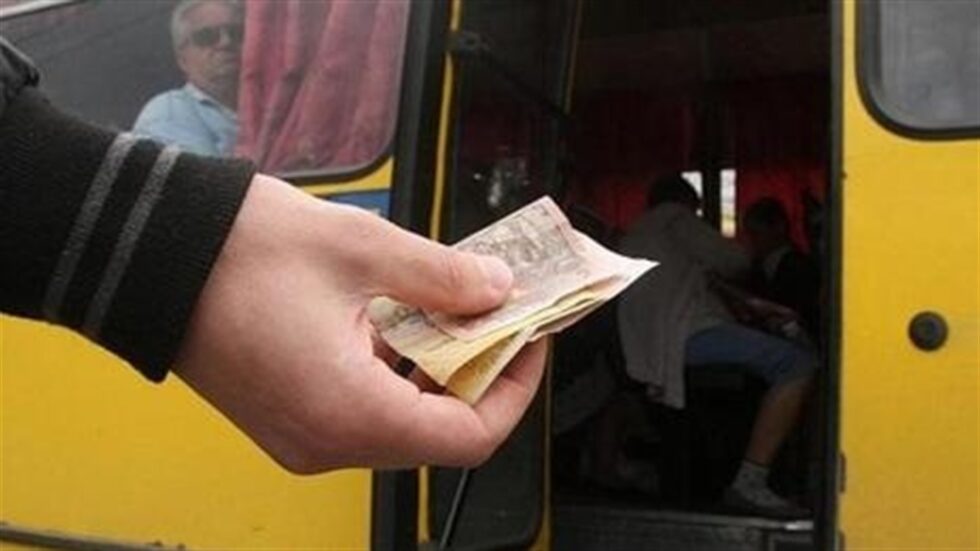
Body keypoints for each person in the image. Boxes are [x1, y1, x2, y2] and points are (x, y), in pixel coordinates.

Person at [1, 37, 546, 472]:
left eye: (233, 34)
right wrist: (191, 244)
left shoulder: (256, 113)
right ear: (180, 56)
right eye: (206, 37)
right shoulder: (172, 112)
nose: (225, 45)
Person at [617, 174, 815, 517]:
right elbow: (735, 261)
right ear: (686, 204)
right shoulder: (676, 219)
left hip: (645, 347)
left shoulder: (634, 234)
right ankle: (752, 480)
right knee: (797, 364)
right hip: (685, 336)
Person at [132, 0, 242, 157]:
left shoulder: (271, 105)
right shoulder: (168, 112)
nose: (226, 42)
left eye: (237, 33)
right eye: (207, 36)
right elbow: (208, 172)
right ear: (182, 59)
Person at [742, 197, 821, 337]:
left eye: (756, 233)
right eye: (748, 234)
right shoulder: (755, 268)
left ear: (779, 228)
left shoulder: (800, 268)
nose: (750, 241)